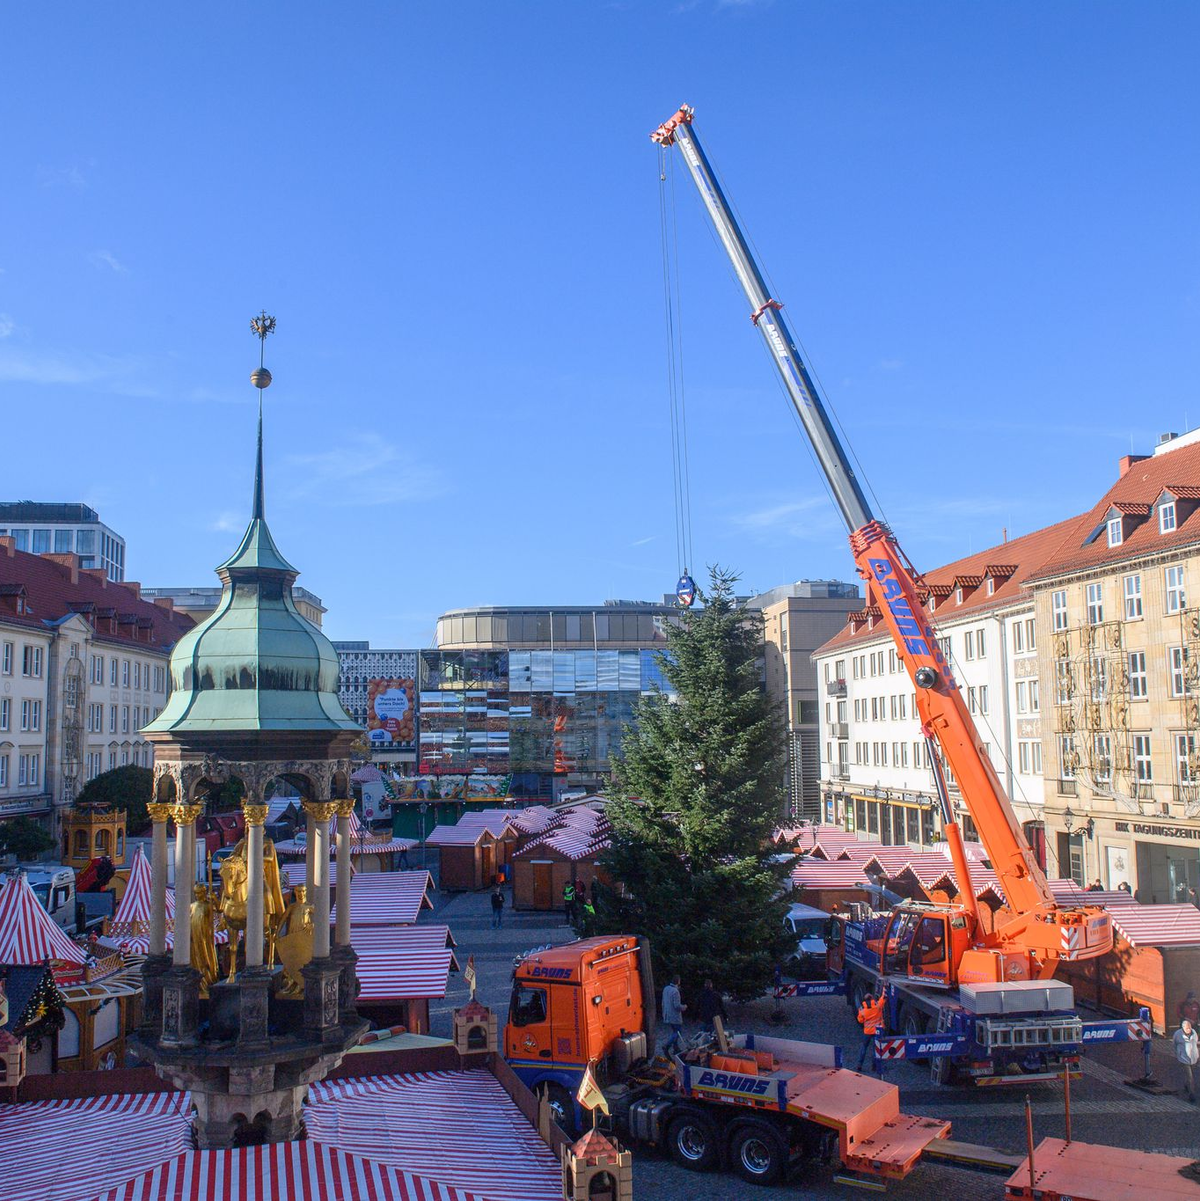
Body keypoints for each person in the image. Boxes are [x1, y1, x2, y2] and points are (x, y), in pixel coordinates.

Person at [856, 992, 886, 1074]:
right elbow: (883, 998)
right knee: (875, 1049)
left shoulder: (862, 1009)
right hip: (877, 1031)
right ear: (872, 998)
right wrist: (884, 989)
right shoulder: (877, 1006)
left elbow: (860, 1020)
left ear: (864, 1000)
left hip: (867, 1032)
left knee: (864, 1047)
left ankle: (859, 1064)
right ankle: (874, 1065)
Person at [1173, 1018, 1198, 1103]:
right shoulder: (1177, 1034)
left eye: (1190, 1028)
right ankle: (1192, 1094)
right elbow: (1174, 1044)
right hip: (1183, 1058)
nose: (1189, 1030)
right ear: (1183, 1028)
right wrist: (1178, 1054)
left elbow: (1196, 1042)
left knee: (1192, 1075)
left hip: (1194, 1058)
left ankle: (1187, 1085)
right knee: (1190, 1077)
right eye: (1187, 1028)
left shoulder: (1194, 1033)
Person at [662, 975, 687, 1056]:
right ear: (678, 982)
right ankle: (667, 1045)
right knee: (677, 1032)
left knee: (674, 1031)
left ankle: (676, 1048)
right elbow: (677, 1006)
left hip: (667, 1014)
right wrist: (684, 1007)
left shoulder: (666, 989)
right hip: (674, 1016)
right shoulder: (675, 992)